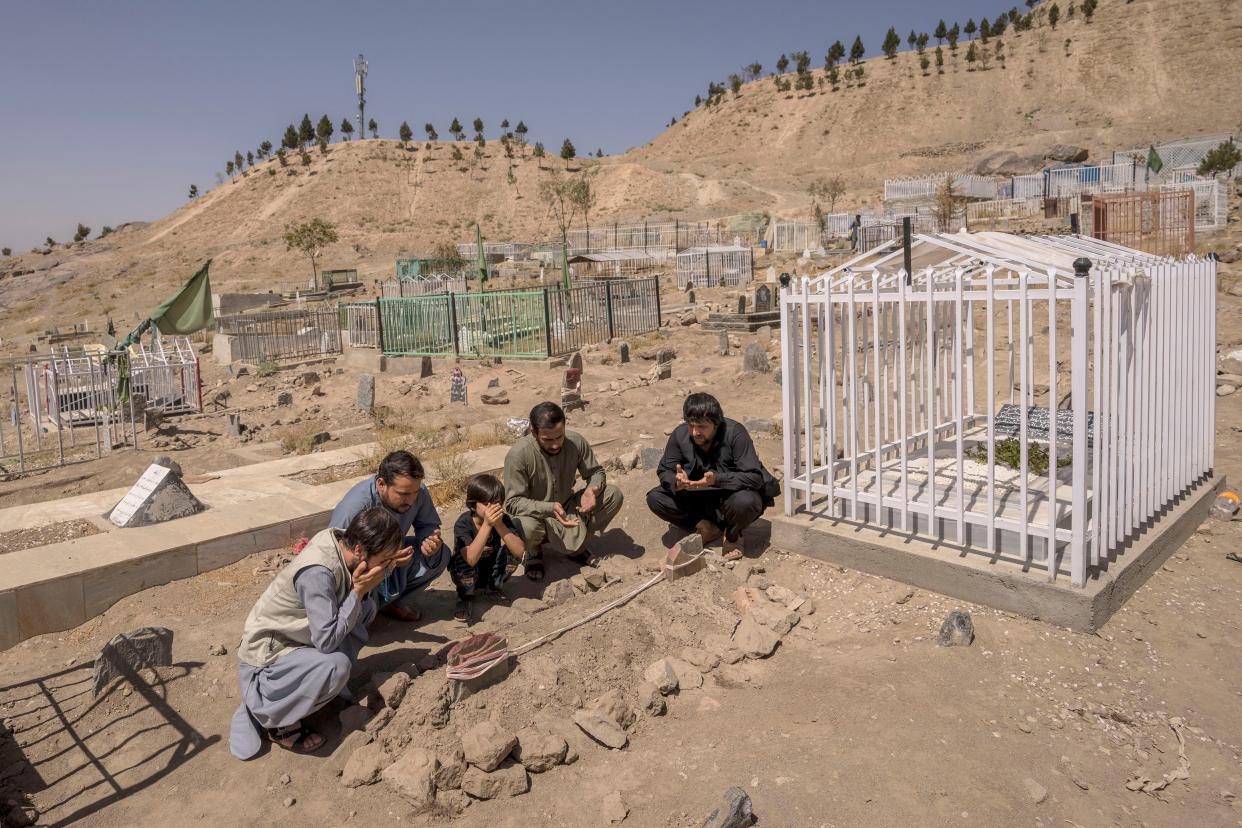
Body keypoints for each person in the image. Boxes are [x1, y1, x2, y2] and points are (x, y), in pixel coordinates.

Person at [229, 507, 402, 759]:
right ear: (360, 550)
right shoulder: (319, 572)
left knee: (365, 609)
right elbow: (327, 641)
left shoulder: (344, 543)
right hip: (265, 660)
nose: (387, 566)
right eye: (385, 559)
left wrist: (362, 593)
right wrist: (357, 592)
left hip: (296, 642)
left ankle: (299, 694)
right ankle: (275, 719)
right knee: (335, 666)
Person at [646, 392, 780, 560]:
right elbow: (664, 470)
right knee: (655, 498)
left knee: (746, 501)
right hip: (698, 501)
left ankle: (733, 535)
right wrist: (676, 481)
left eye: (702, 426)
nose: (695, 432)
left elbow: (754, 477)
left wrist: (717, 479)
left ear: (715, 424)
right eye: (691, 425)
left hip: (730, 498)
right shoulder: (680, 435)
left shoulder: (735, 433)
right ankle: (707, 528)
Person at [503, 401, 624, 581]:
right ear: (533, 432)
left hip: (568, 508)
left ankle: (578, 546)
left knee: (613, 495)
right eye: (548, 440)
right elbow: (513, 503)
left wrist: (592, 489)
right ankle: (534, 553)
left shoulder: (575, 442)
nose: (555, 445)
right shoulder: (519, 455)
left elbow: (595, 472)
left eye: (559, 437)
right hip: (537, 515)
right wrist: (548, 508)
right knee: (524, 526)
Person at [329, 450, 448, 622]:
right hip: (362, 572)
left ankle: (393, 603)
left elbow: (427, 525)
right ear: (382, 484)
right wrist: (387, 562)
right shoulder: (353, 509)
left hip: (393, 560)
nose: (412, 500)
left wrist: (430, 539)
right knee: (356, 621)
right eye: (404, 494)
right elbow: (338, 563)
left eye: (415, 493)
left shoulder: (415, 490)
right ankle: (370, 607)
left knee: (440, 554)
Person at [449, 473, 526, 622]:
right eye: (486, 504)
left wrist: (498, 524)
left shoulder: (502, 520)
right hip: (468, 574)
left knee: (512, 546)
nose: (492, 508)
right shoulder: (463, 523)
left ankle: (493, 587)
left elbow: (519, 551)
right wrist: (487, 524)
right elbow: (470, 559)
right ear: (473, 504)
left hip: (490, 570)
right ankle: (465, 597)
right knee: (462, 559)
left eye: (497, 503)